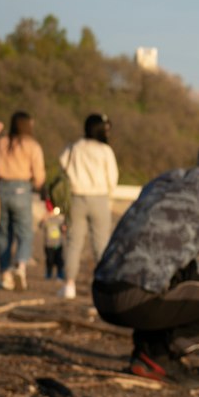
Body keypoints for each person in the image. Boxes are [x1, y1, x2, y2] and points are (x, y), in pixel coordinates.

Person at [92, 136, 199, 385]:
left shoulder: (166, 180)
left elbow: (165, 224)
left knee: (185, 269)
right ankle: (159, 354)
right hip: (135, 300)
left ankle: (150, 349)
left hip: (102, 293)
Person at [57, 112, 119, 300]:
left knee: (74, 242)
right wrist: (108, 193)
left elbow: (62, 163)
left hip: (76, 198)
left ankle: (69, 285)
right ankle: (103, 284)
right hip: (99, 198)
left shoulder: (75, 147)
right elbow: (113, 177)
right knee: (101, 243)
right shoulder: (105, 150)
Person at [0, 111, 46, 290]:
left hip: (1, 190)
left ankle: (5, 274)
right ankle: (20, 266)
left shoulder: (0, 143)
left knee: (3, 234)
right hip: (22, 189)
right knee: (24, 233)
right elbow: (39, 176)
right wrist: (38, 186)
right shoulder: (32, 145)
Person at [41, 203, 66, 280]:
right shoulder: (46, 220)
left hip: (58, 244)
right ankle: (48, 273)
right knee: (49, 260)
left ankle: (60, 274)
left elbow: (64, 228)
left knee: (60, 260)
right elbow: (41, 226)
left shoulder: (60, 218)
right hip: (48, 245)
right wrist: (45, 217)